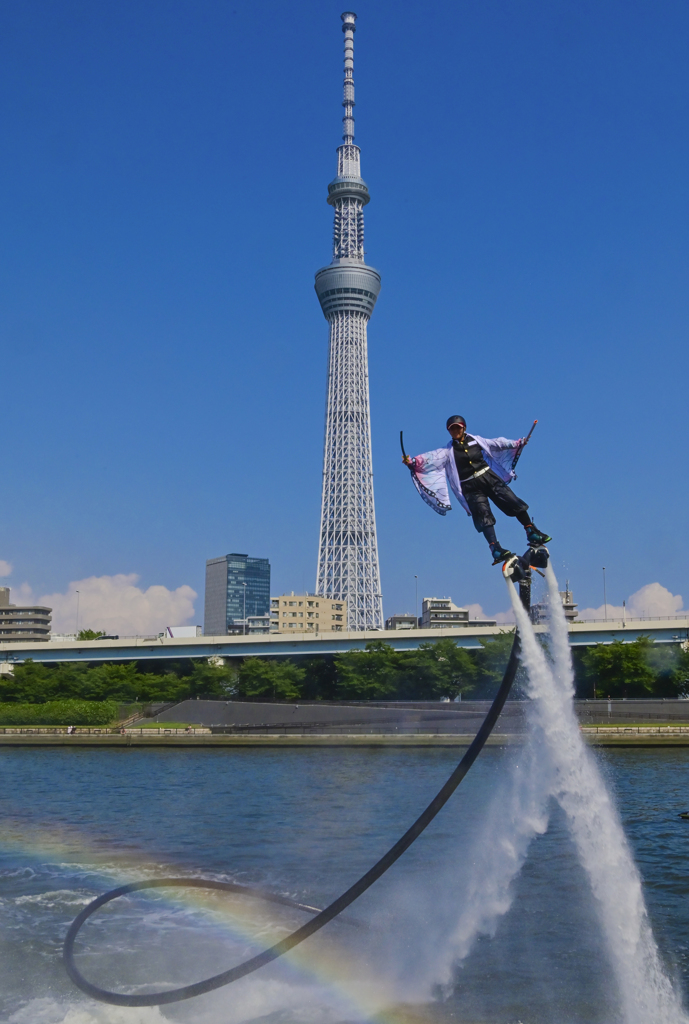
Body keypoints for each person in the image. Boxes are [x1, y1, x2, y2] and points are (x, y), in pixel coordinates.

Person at [402, 415, 551, 566]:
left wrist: (517, 443)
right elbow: (431, 458)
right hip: (470, 487)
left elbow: (497, 443)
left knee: (512, 501)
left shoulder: (476, 440)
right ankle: (495, 548)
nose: (455, 431)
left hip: (488, 477)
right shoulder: (448, 451)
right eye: (452, 429)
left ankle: (531, 531)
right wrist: (413, 461)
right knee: (483, 516)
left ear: (464, 427)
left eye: (457, 428)